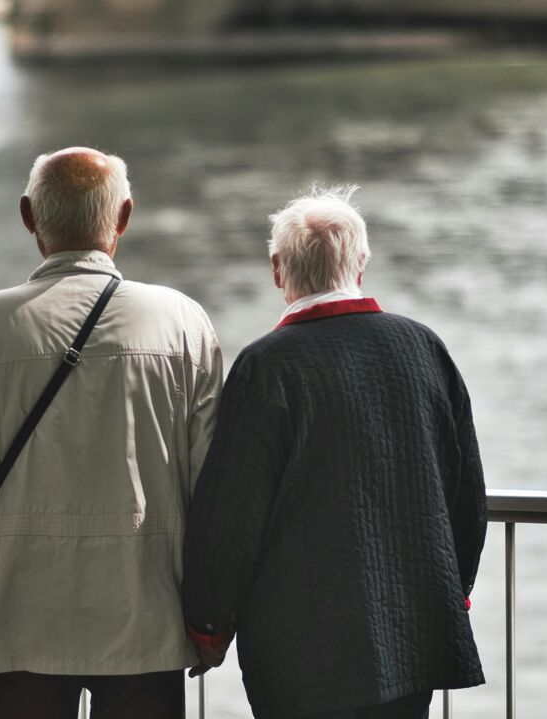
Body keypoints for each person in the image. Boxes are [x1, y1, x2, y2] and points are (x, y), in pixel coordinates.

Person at [0, 147, 223, 719]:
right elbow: (213, 488)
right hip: (144, 621)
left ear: (29, 216)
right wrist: (211, 618)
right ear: (124, 216)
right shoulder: (182, 323)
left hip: (17, 620)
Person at [181, 186, 487, 719]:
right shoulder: (423, 347)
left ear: (279, 270)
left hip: (299, 644)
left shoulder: (265, 367)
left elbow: (231, 513)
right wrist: (453, 589)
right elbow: (466, 491)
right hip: (410, 634)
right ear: (361, 264)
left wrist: (208, 622)